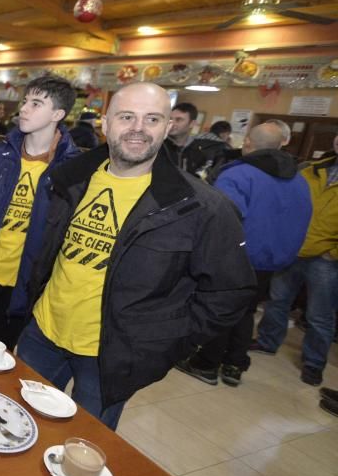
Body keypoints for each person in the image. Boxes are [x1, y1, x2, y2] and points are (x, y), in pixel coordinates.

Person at [14, 82, 255, 430]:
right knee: (19, 423)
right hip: (43, 334)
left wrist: (164, 341)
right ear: (106, 124)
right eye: (127, 117)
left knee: (80, 446)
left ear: (168, 127)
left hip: (111, 356)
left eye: (152, 119)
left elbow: (230, 292)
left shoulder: (200, 206)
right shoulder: (71, 178)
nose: (138, 128)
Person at [176, 122, 312, 386]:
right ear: (280, 144)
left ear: (247, 142)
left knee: (220, 309)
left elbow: (224, 220)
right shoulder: (299, 178)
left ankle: (207, 363)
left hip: (239, 255)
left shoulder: (238, 175)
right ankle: (234, 365)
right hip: (276, 259)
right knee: (245, 310)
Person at [0, 75, 80, 348]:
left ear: (58, 113)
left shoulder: (71, 170)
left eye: (36, 103)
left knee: (1, 355)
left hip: (23, 281)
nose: (24, 108)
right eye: (25, 101)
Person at [250, 132, 338, 387]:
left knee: (320, 315)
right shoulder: (310, 168)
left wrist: (332, 253)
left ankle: (313, 363)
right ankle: (267, 342)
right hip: (291, 248)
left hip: (325, 258)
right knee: (277, 301)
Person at [163, 101, 198, 167]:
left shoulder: (198, 151)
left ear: (192, 124)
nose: (172, 123)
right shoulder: (157, 146)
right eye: (170, 119)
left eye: (179, 120)